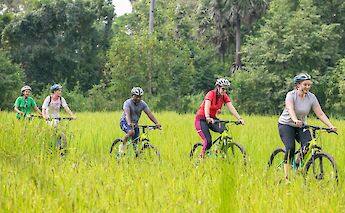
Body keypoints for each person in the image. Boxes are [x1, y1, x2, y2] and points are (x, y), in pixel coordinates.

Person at [278, 73, 337, 181]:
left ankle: (297, 164)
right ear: (298, 85)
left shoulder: (311, 97)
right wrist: (295, 119)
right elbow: (290, 108)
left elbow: (320, 114)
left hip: (301, 125)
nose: (307, 87)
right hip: (286, 124)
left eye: (309, 85)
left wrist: (330, 126)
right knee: (290, 148)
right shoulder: (291, 95)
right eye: (305, 84)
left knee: (308, 145)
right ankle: (287, 178)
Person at [194, 78, 245, 158]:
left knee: (224, 130)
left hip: (212, 119)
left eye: (226, 89)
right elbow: (207, 105)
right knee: (208, 141)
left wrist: (239, 118)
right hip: (202, 119)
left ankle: (219, 152)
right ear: (218, 87)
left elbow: (231, 107)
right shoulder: (211, 94)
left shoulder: (224, 97)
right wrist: (207, 117)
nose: (224, 91)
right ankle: (200, 160)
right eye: (223, 89)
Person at [118, 87, 161, 155]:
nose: (138, 98)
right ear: (133, 95)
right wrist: (129, 122)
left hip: (135, 124)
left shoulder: (143, 104)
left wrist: (156, 123)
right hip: (125, 121)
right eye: (137, 96)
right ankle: (122, 146)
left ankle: (136, 157)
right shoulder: (127, 103)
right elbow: (127, 114)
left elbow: (149, 114)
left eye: (140, 97)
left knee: (136, 144)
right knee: (131, 132)